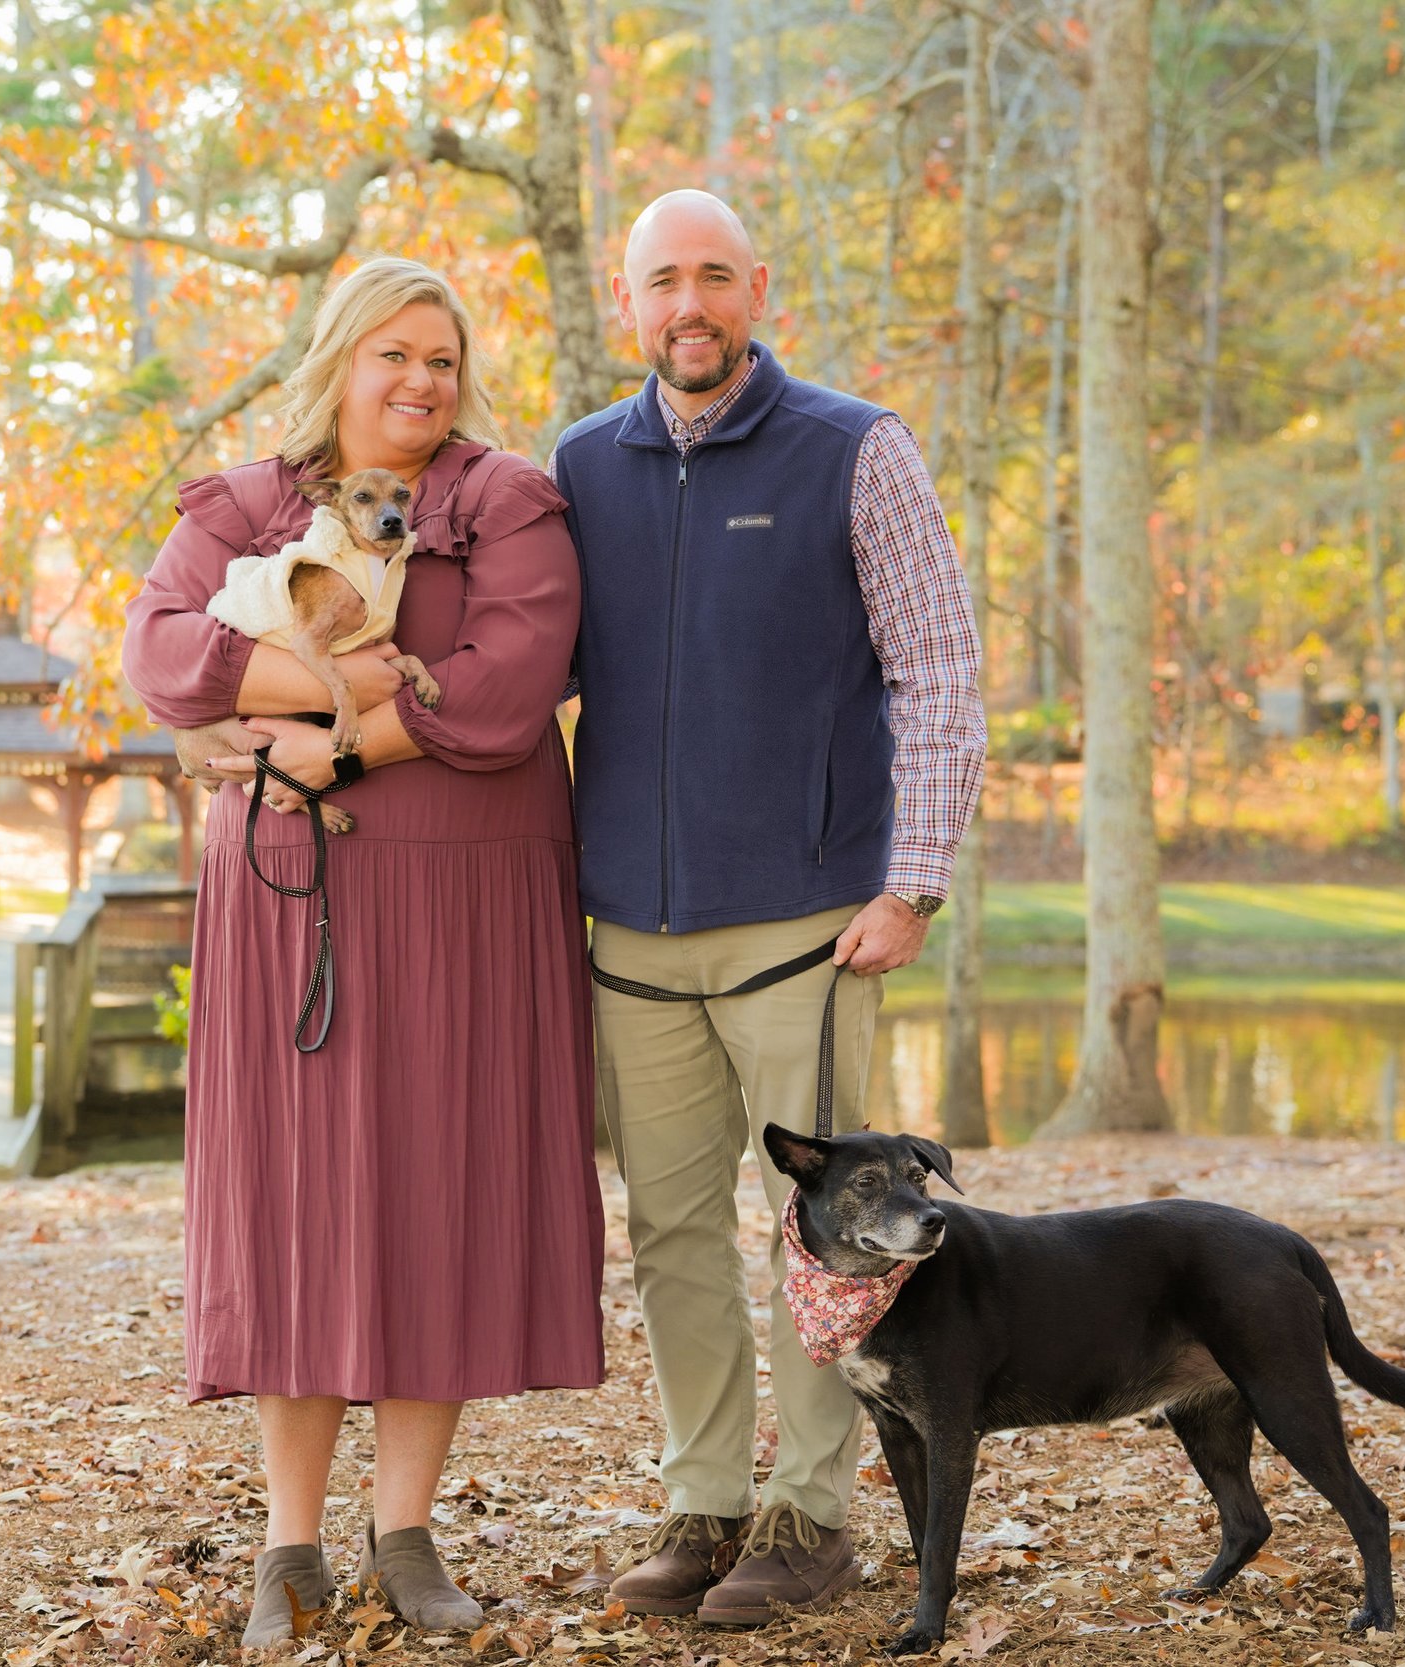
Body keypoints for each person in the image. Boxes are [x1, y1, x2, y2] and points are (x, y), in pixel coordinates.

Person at [122, 257, 605, 1647]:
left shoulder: (504, 500)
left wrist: (331, 750)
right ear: (339, 358)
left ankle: (406, 1532)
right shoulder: (246, 503)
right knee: (302, 1206)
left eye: (441, 359)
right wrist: (324, 687)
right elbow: (161, 654)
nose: (418, 381)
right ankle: (289, 1550)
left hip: (467, 902)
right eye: (393, 354)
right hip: (288, 902)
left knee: (431, 1194)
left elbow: (510, 687)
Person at [550, 190, 984, 1626]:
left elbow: (937, 671)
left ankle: (810, 1515)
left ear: (758, 289)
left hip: (808, 925)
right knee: (669, 1230)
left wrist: (913, 883)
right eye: (664, 280)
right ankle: (705, 1504)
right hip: (631, 936)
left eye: (716, 277)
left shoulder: (854, 448)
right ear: (631, 305)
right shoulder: (578, 469)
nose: (692, 304)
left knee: (821, 1234)